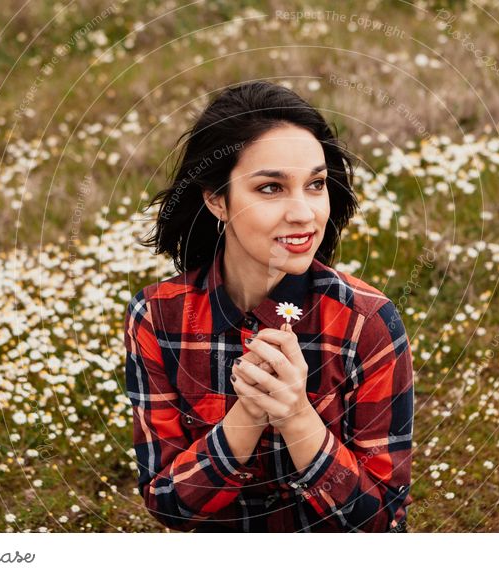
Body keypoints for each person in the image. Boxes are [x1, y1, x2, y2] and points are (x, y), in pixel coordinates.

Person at [124, 80, 415, 532]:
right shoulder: (158, 319)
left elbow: (379, 525)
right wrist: (248, 415)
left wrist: (297, 415)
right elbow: (167, 506)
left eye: (315, 184)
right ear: (216, 199)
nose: (303, 213)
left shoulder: (367, 322)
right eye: (270, 188)